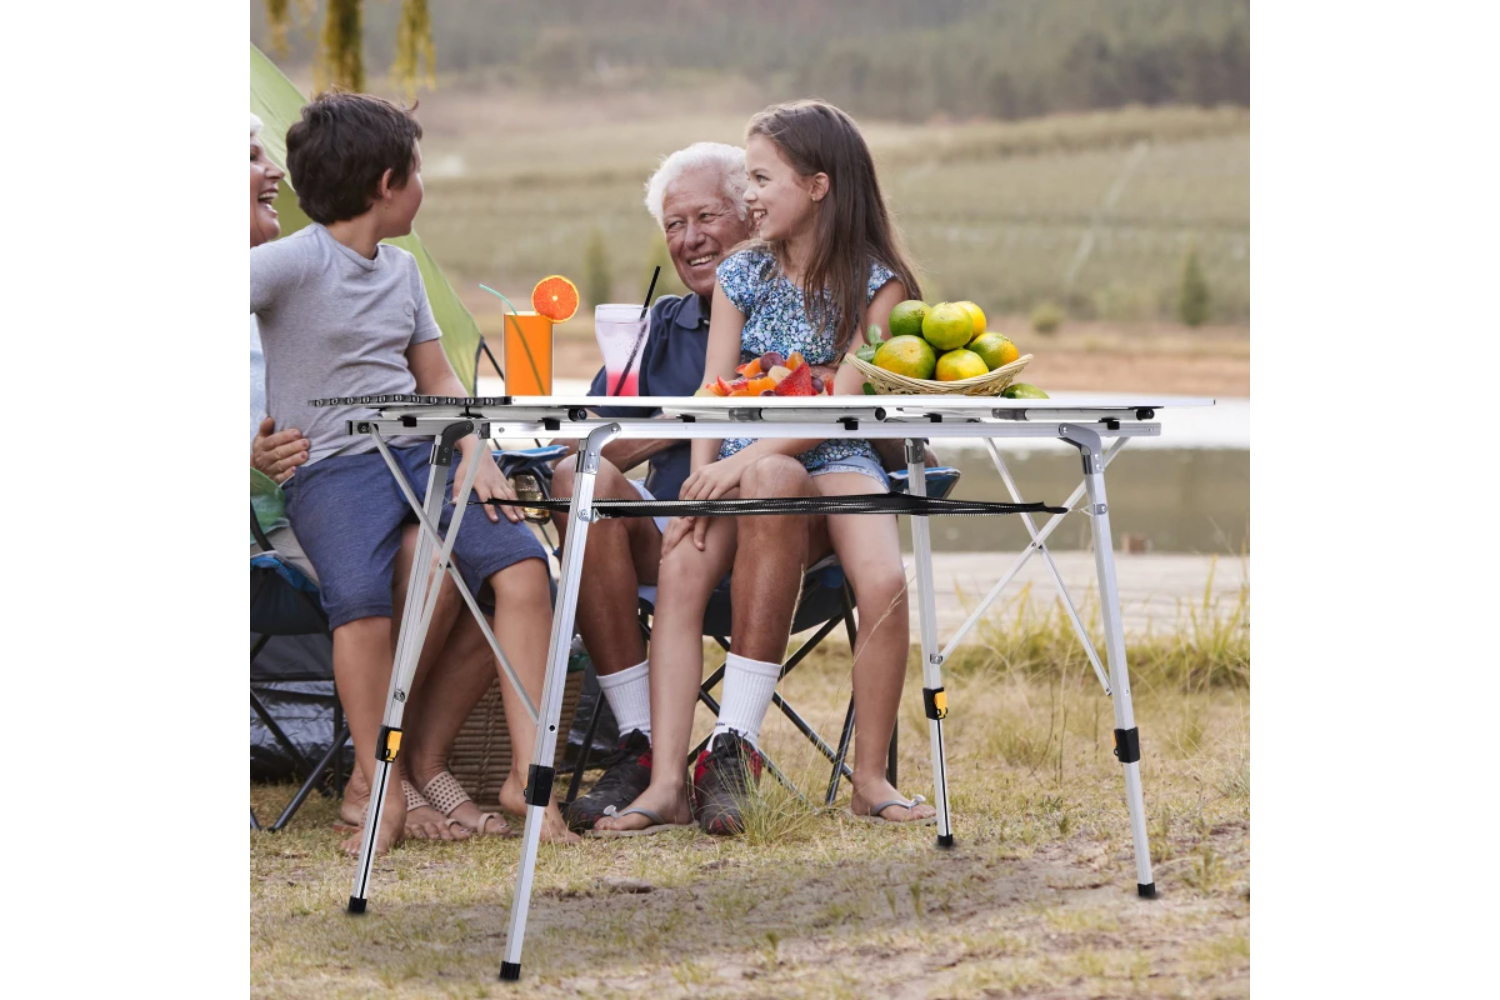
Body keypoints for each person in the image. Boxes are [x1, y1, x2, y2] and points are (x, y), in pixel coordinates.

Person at [595, 99, 938, 836]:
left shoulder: (879, 284)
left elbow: (841, 409)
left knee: (883, 581)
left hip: (834, 453)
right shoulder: (744, 274)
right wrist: (699, 475)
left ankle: (870, 777)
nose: (748, 197)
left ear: (817, 186)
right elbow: (714, 395)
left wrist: (747, 458)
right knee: (684, 566)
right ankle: (664, 784)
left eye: (760, 179)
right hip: (740, 456)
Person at [250, 94, 577, 853]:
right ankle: (381, 782)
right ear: (389, 182)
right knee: (360, 603)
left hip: (426, 454)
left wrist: (476, 450)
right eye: (420, 170)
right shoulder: (293, 262)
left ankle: (530, 783)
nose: (424, 184)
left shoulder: (400, 272)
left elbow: (436, 379)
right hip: (332, 468)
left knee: (525, 569)